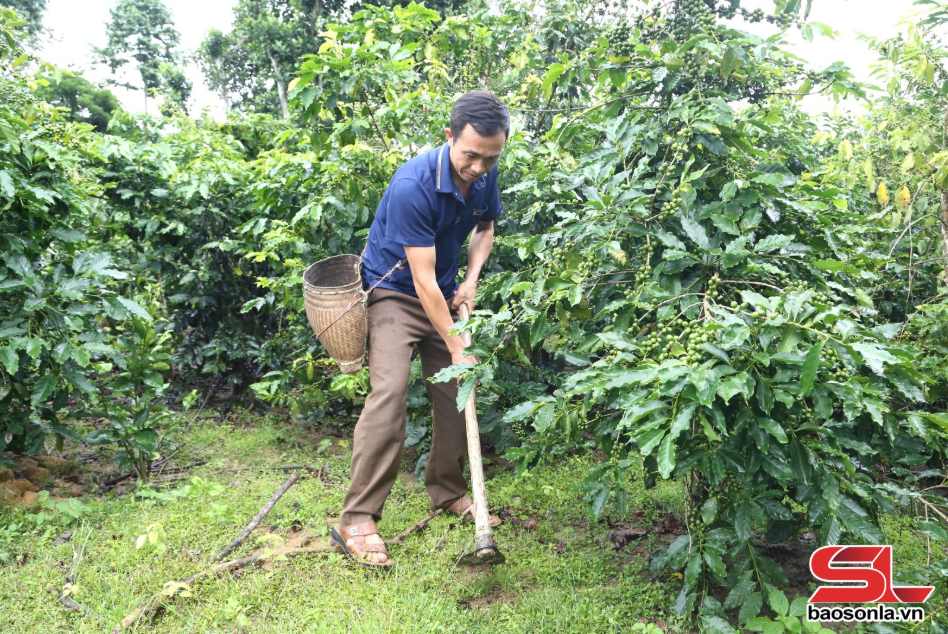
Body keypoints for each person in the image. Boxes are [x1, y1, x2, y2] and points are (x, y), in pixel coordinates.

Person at [329, 91, 510, 568]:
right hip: (395, 293)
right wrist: (457, 345)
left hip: (444, 293)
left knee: (457, 395)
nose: (478, 167)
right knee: (389, 394)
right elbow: (421, 280)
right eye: (470, 155)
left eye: (491, 157)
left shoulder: (484, 173)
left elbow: (485, 229)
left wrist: (470, 281)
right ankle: (356, 519)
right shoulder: (414, 184)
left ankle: (447, 491)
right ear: (449, 136)